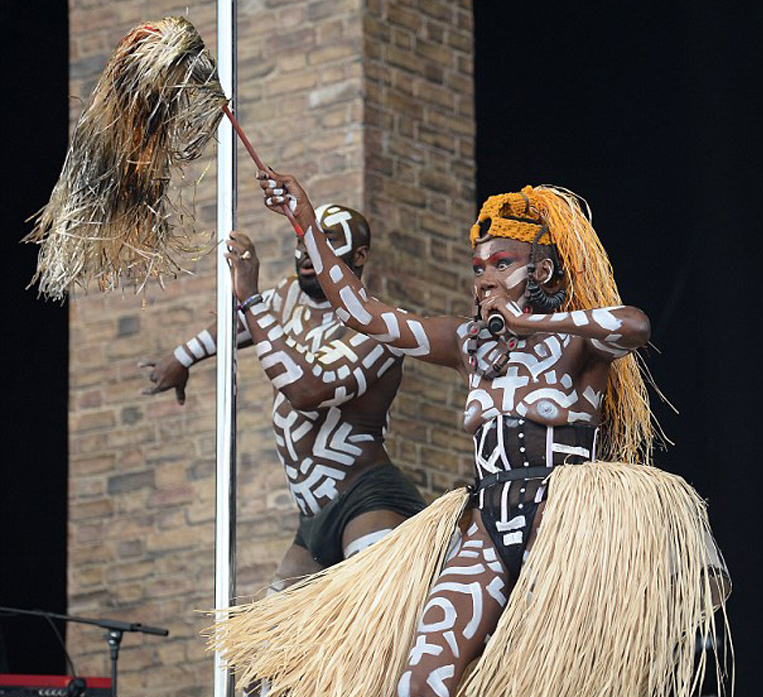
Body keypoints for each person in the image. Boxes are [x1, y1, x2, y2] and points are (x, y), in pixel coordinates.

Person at [214, 171, 730, 697]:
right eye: (478, 268)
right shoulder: (465, 342)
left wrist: (531, 325)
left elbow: (635, 325)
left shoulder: (578, 343)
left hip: (564, 519)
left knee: (559, 674)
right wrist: (304, 219)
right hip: (489, 519)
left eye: (501, 264)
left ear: (542, 271)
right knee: (421, 681)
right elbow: (362, 313)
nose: (484, 280)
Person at [141, 199, 426, 592]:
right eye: (301, 238)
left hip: (367, 501)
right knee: (276, 631)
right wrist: (183, 356)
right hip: (311, 519)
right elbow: (244, 324)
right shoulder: (287, 299)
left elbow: (308, 391)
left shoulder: (381, 325)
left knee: (374, 616)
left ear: (360, 255)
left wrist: (252, 299)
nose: (307, 249)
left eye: (325, 239)